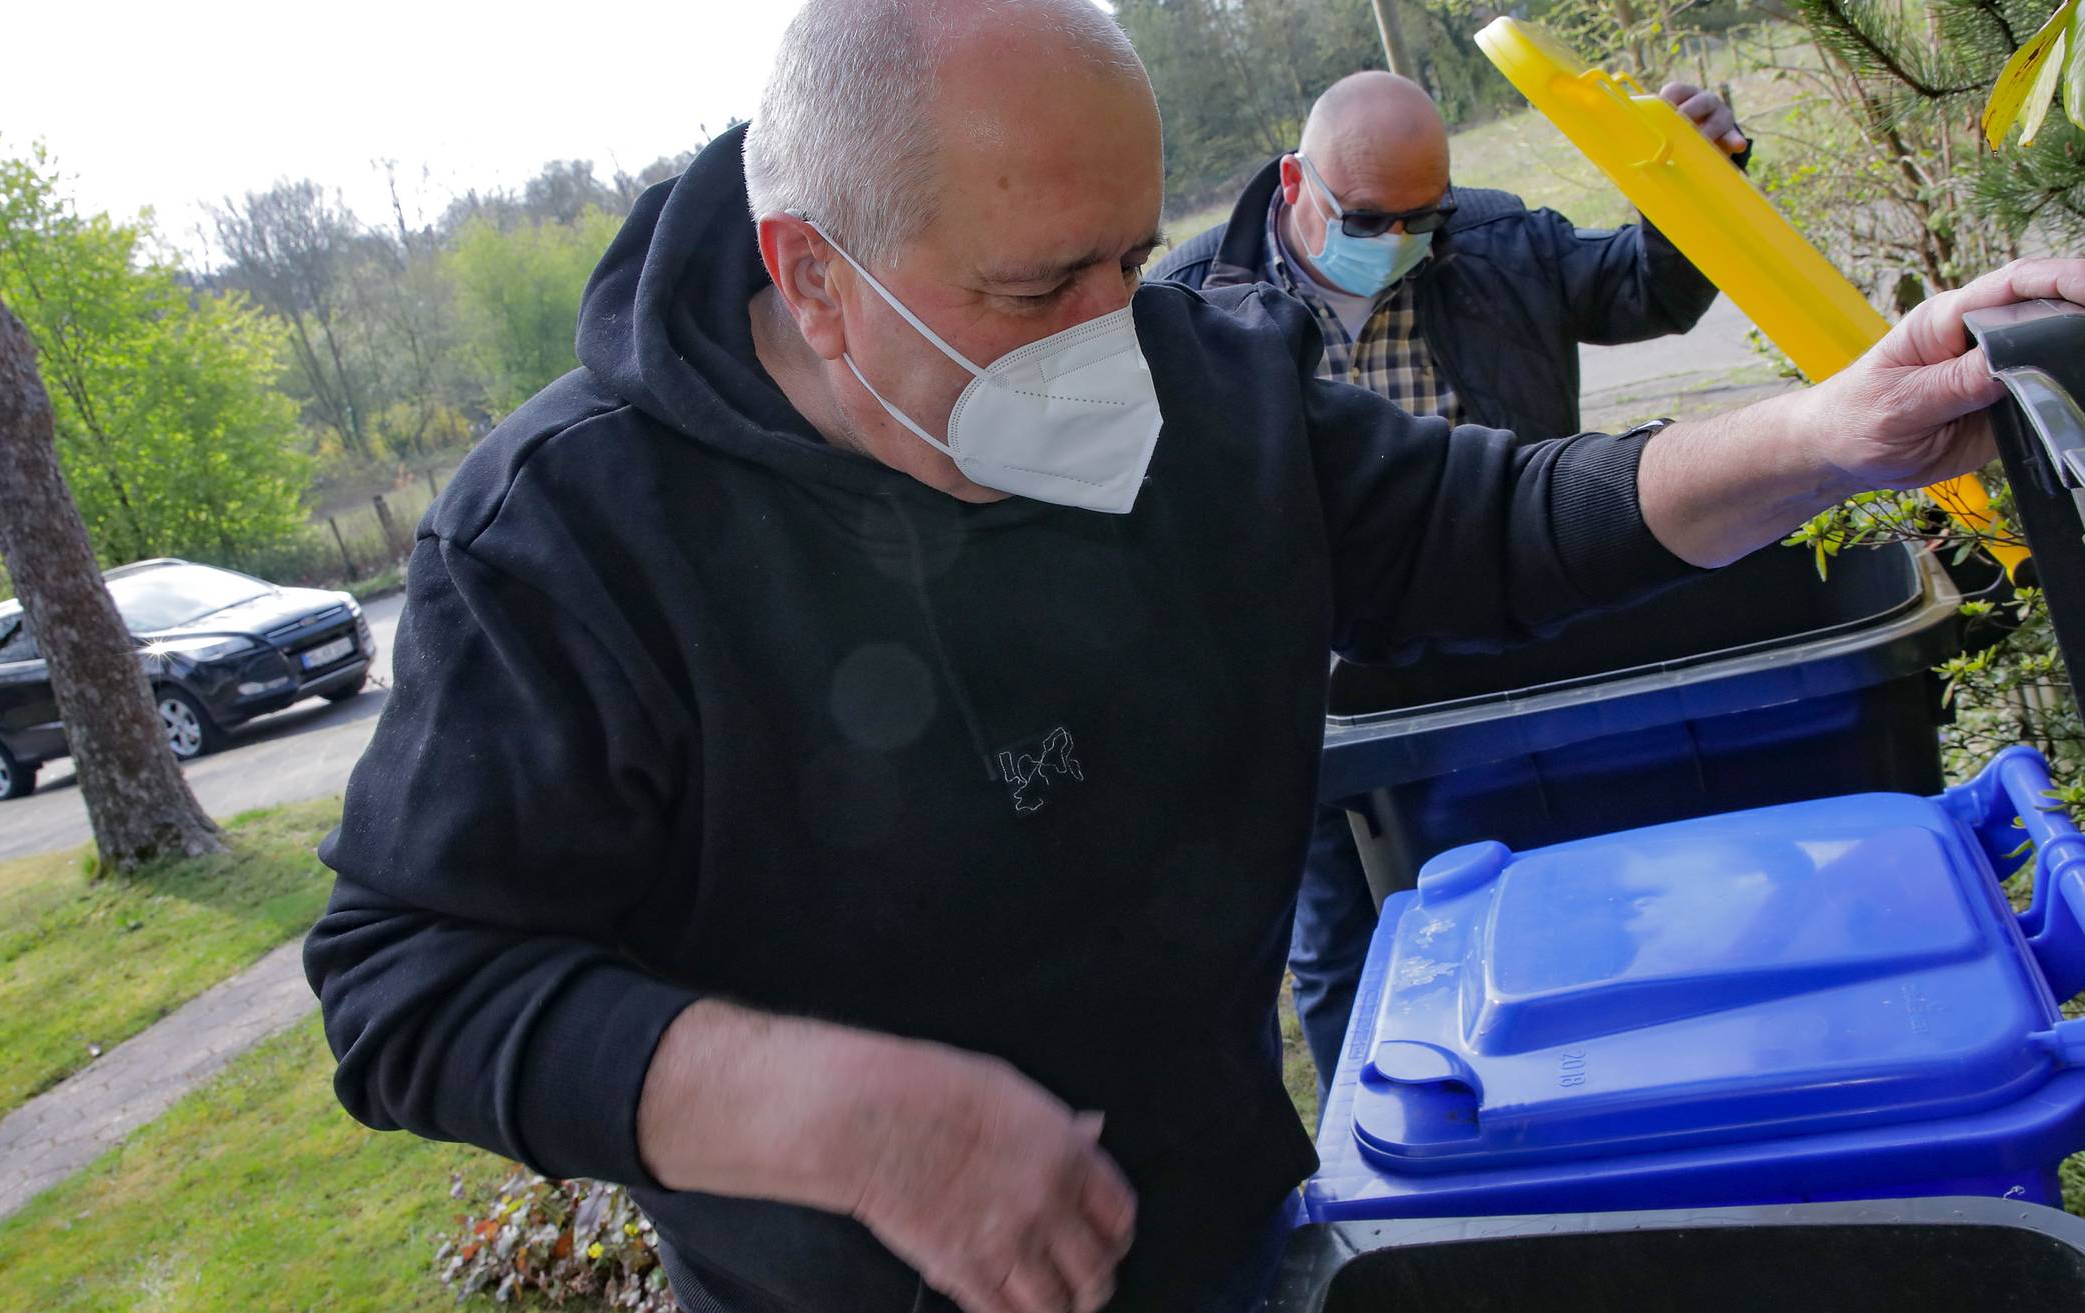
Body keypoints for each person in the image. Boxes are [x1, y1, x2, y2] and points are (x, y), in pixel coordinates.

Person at [302, 1, 2080, 1311]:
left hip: (1231, 1234)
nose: (1110, 336)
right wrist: (822, 1111)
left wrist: (1832, 429)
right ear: (815, 275)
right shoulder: (565, 533)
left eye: (1130, 262)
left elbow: (1507, 521)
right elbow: (410, 975)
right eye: (1034, 288)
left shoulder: (1205, 388)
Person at [1150, 70, 1752, 1099]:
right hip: (1317, 690)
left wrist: (1703, 183)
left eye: (1421, 220)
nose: (1396, 242)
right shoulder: (1195, 302)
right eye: (1368, 220)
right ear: (1297, 181)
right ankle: (1382, 1172)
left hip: (1497, 648)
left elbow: (1642, 286)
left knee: (1548, 902)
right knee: (1349, 945)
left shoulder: (1498, 240)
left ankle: (1576, 1105)